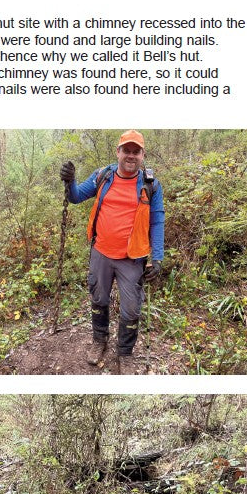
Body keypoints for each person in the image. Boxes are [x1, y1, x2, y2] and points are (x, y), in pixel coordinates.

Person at [60, 130, 165, 374]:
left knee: (131, 308)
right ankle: (99, 341)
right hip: (101, 253)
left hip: (132, 258)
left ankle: (125, 354)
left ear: (142, 155)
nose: (130, 155)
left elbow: (157, 221)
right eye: (126, 150)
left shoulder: (151, 185)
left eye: (135, 151)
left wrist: (157, 257)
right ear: (117, 152)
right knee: (99, 299)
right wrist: (70, 180)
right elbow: (75, 197)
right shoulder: (103, 176)